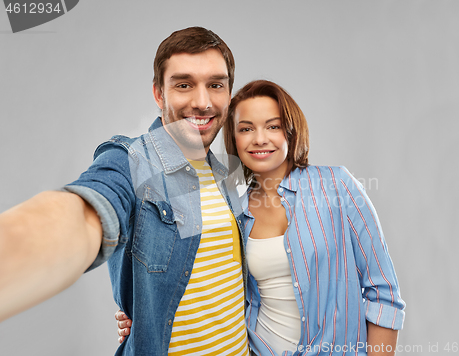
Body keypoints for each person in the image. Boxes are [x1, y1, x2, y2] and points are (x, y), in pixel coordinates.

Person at [0, 27, 250, 356]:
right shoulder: (131, 161)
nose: (202, 102)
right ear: (159, 94)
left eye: (215, 85)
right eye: (184, 84)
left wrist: (145, 305)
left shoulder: (229, 172)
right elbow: (90, 207)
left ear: (229, 95)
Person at [117, 80, 406, 355]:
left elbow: (383, 294)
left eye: (273, 126)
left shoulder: (337, 185)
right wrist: (138, 310)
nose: (259, 139)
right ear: (234, 138)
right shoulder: (232, 205)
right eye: (246, 129)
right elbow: (199, 274)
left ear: (290, 131)